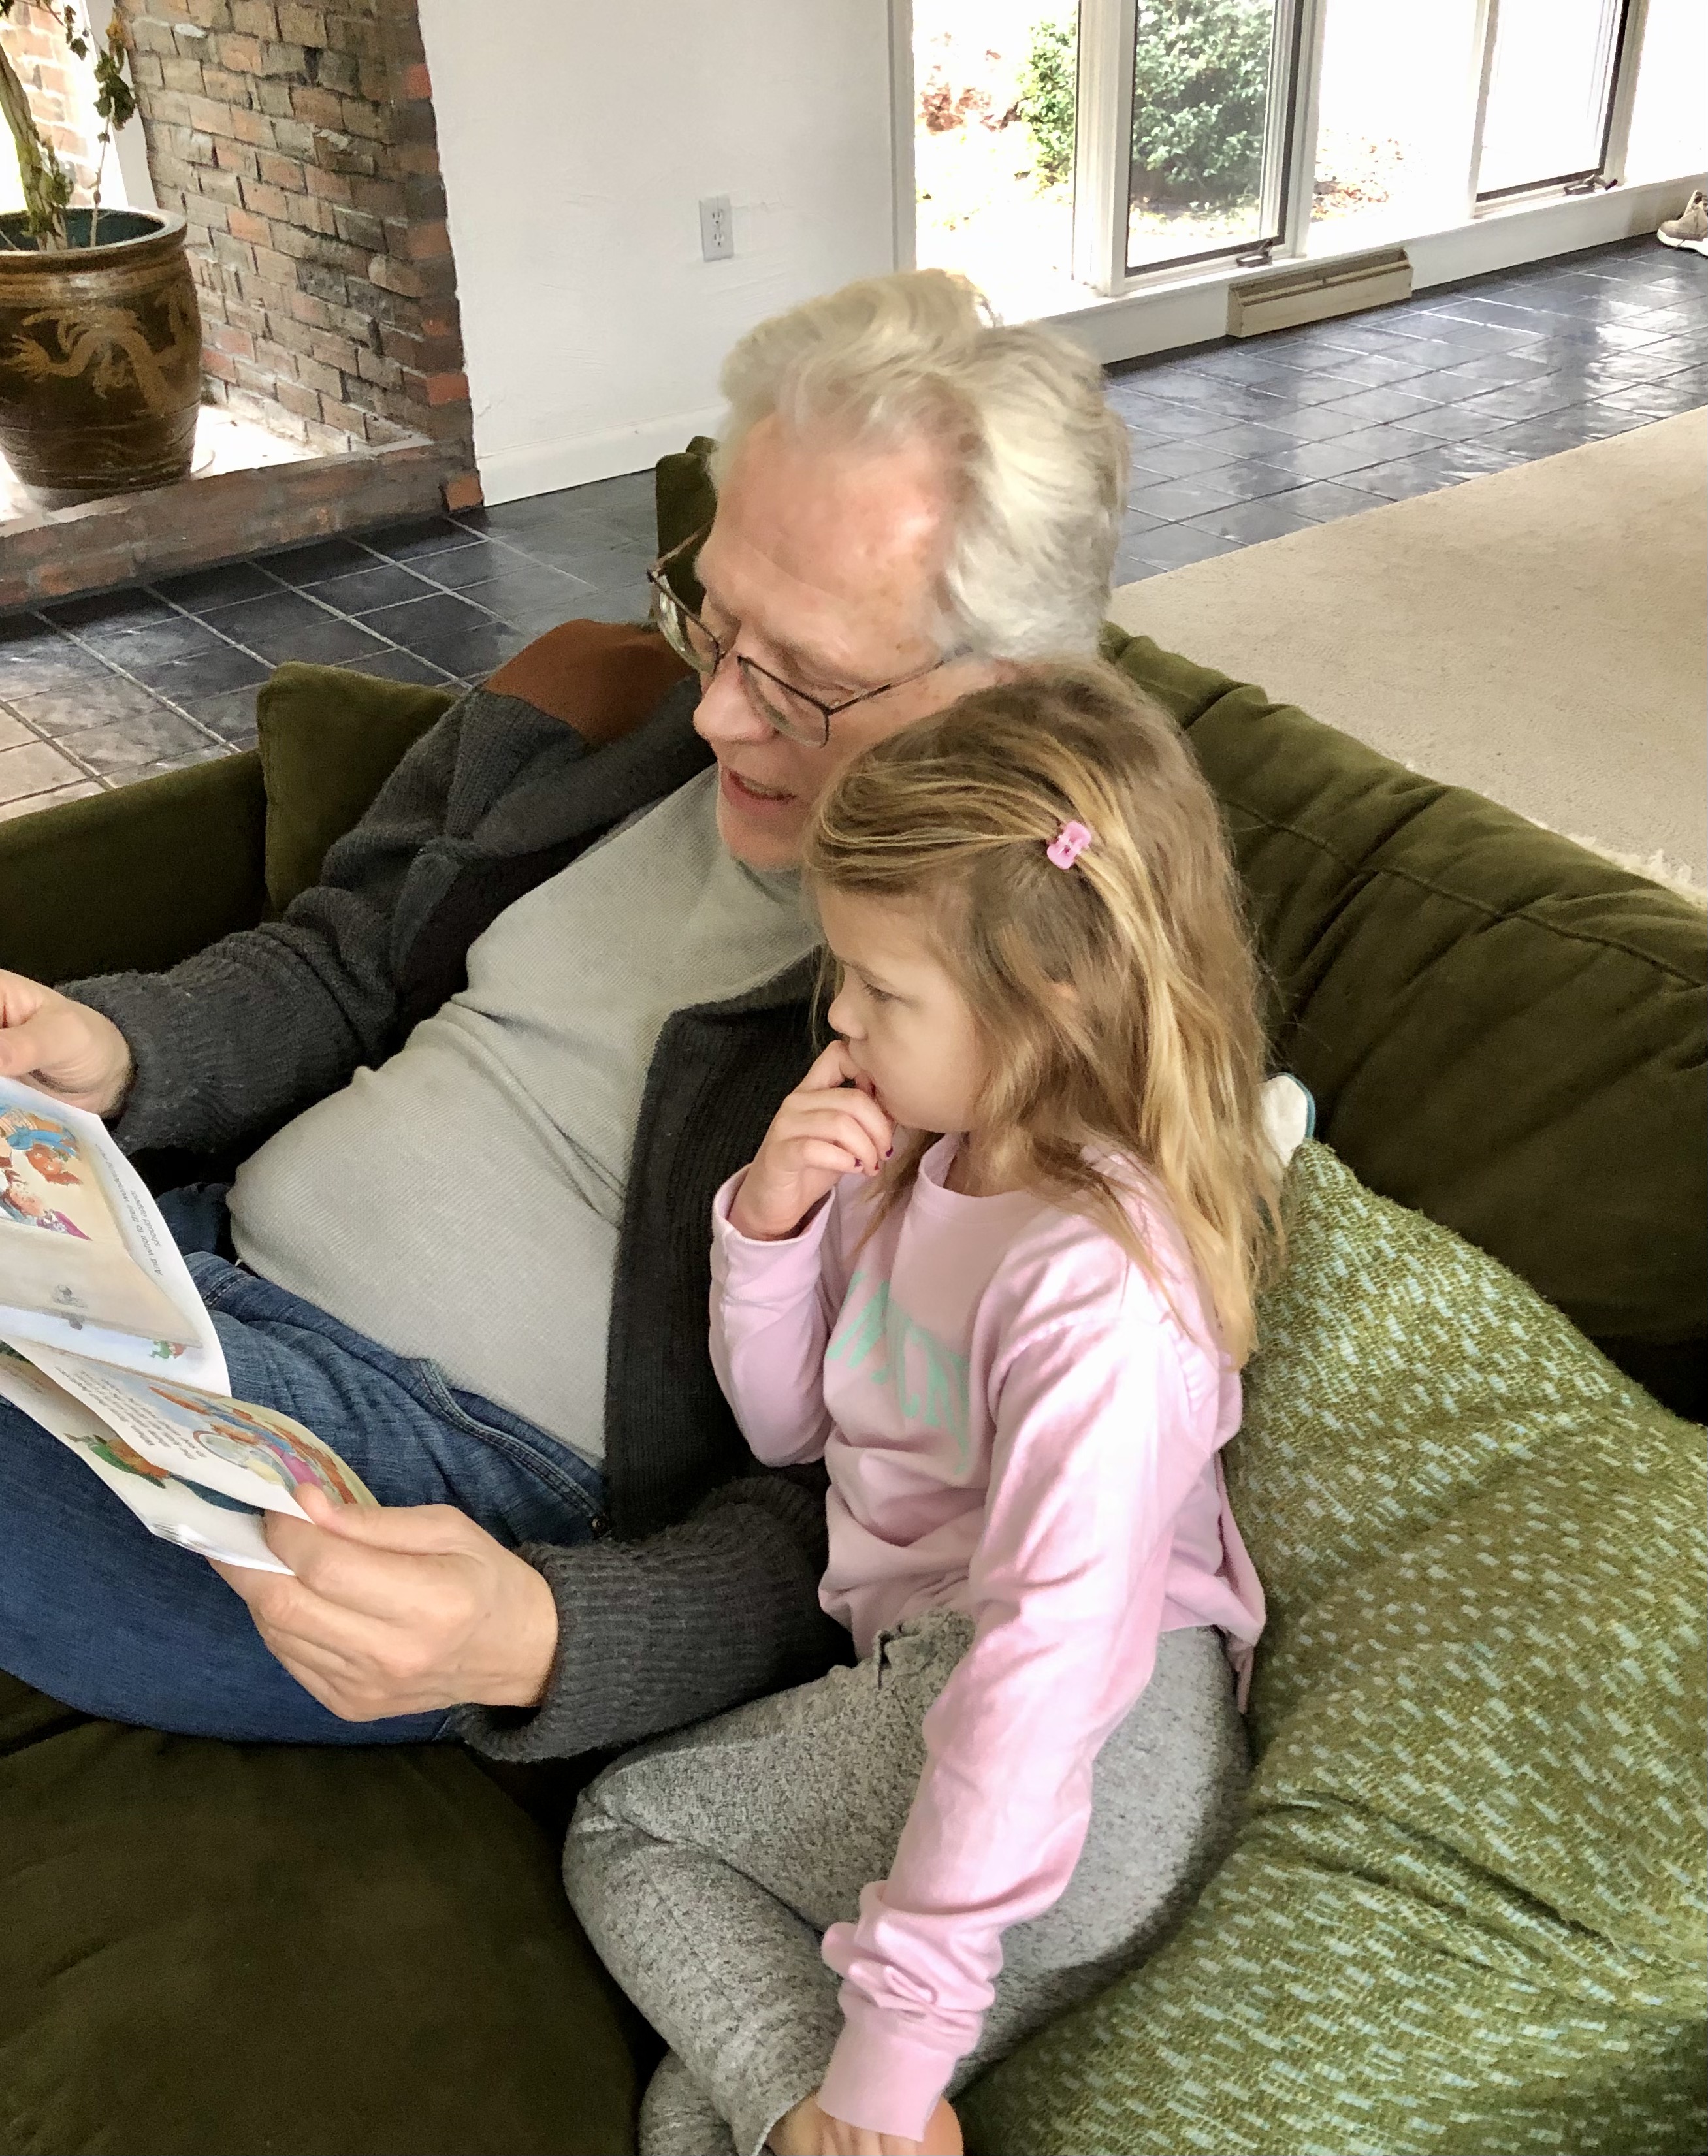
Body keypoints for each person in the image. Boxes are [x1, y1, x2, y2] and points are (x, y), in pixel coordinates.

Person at [0, 269, 1129, 1750]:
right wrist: (126, 1050)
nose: (721, 711)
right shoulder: (610, 715)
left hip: (430, 1476)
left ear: (1018, 691)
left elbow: (902, 1500)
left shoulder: (1028, 987)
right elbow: (343, 958)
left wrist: (548, 1634)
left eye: (810, 683)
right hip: (175, 1265)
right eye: (714, 622)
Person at [564, 664, 1281, 2156]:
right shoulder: (925, 1160)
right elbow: (792, 1433)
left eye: (885, 990)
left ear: (1056, 998)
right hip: (962, 1709)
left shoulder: (1097, 1283)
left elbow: (1043, 1672)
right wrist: (768, 1223)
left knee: (631, 1834)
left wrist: (893, 2068)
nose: (839, 1016)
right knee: (708, 2106)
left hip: (1093, 1744)